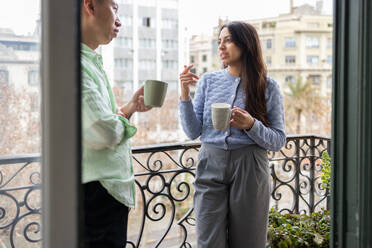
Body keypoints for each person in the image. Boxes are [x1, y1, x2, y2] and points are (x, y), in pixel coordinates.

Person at [179, 21, 286, 248]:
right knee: (208, 242)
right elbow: (192, 131)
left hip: (250, 167)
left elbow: (278, 140)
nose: (221, 47)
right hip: (210, 163)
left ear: (246, 44)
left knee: (248, 242)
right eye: (219, 42)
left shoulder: (268, 86)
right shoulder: (209, 81)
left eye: (227, 40)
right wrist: (184, 95)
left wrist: (251, 125)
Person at [80, 0, 152, 246]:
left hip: (104, 196)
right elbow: (104, 131)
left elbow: (107, 123)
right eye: (114, 8)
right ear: (90, 6)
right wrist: (121, 121)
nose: (119, 20)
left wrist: (131, 106)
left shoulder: (90, 61)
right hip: (95, 195)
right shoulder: (74, 65)